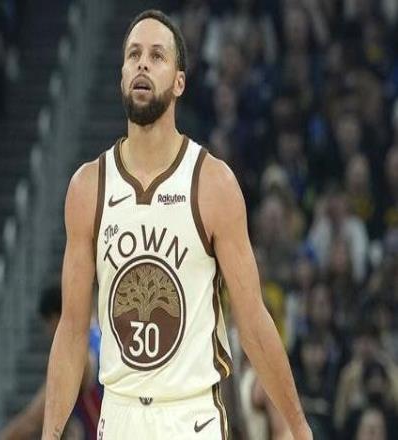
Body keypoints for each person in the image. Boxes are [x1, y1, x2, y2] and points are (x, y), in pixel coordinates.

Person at [43, 9, 312, 440]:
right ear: (121, 76)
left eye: (157, 56)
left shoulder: (213, 184)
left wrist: (299, 427)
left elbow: (252, 320)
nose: (142, 64)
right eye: (133, 55)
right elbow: (72, 330)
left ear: (180, 82)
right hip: (119, 415)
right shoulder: (88, 188)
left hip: (191, 415)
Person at [0, 285, 101, 440]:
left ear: (57, 319)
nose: (48, 333)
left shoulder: (76, 356)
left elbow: (33, 420)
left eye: (48, 325)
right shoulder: (98, 335)